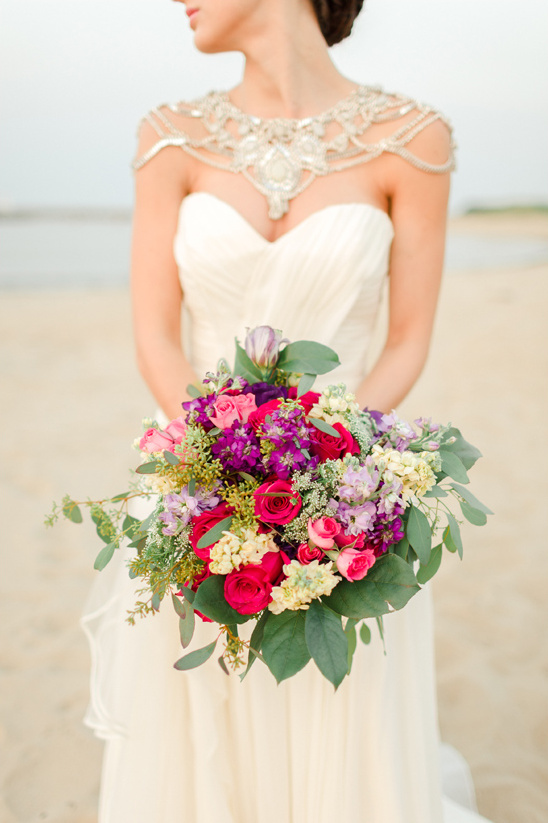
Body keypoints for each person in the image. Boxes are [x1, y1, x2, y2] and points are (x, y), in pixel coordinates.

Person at [81, 0, 494, 821]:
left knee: (341, 745)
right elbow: (157, 337)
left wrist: (325, 470)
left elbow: (406, 340)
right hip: (197, 495)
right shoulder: (168, 135)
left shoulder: (413, 138)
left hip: (348, 505)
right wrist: (222, 464)